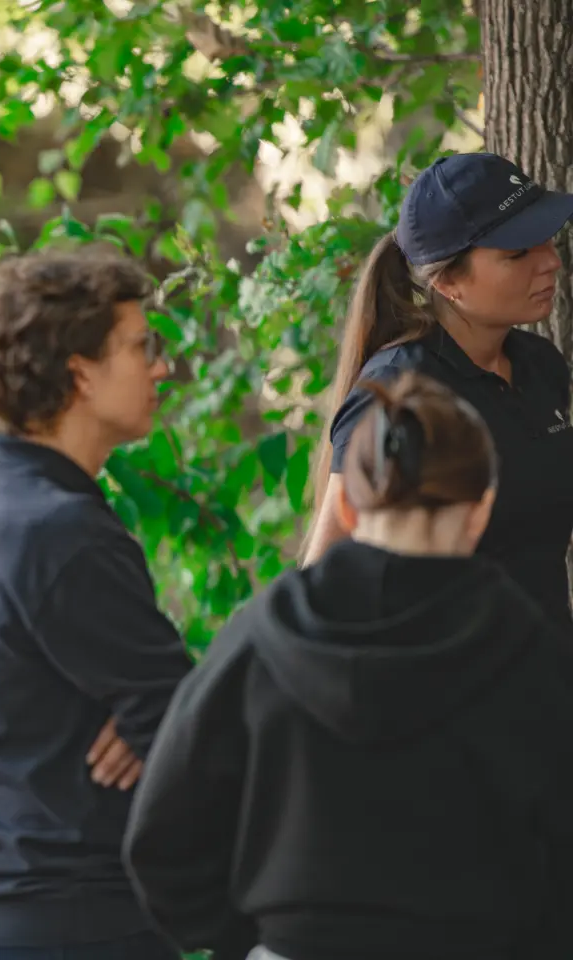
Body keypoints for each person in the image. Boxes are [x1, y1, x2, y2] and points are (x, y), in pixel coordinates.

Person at [125, 371, 573, 960]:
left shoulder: (259, 637)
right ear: (481, 507)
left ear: (348, 504)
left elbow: (161, 840)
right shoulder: (531, 649)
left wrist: (251, 942)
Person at [0, 251, 193, 960]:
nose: (161, 368)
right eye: (141, 349)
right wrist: (161, 710)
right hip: (77, 930)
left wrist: (153, 709)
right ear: (79, 374)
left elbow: (159, 703)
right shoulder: (61, 532)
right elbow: (188, 716)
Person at [302, 152, 573, 630]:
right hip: (445, 694)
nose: (551, 260)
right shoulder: (399, 391)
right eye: (518, 253)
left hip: (543, 681)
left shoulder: (540, 367)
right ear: (448, 282)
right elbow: (323, 587)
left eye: (546, 239)